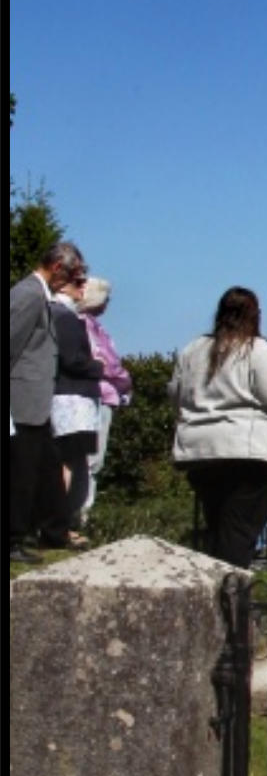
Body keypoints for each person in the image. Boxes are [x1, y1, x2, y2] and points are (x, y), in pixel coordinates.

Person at [171, 287, 267, 570]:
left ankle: (217, 585)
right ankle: (231, 590)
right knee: (239, 534)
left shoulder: (192, 351)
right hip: (246, 450)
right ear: (255, 315)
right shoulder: (257, 349)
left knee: (218, 526)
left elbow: (176, 393)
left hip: (200, 450)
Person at [9, 238, 86, 559]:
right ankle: (13, 539)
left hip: (36, 400)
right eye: (71, 275)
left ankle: (54, 532)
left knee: (48, 468)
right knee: (22, 474)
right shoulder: (28, 295)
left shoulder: (38, 295)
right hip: (22, 398)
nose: (71, 283)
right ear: (57, 268)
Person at [49, 267, 104, 536]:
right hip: (72, 399)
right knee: (68, 463)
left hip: (63, 396)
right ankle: (58, 525)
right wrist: (97, 366)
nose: (83, 287)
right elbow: (72, 360)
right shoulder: (66, 317)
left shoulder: (53, 313)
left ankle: (56, 523)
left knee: (68, 462)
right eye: (78, 282)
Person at [77, 276, 133, 518]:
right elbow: (108, 364)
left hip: (98, 394)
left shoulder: (90, 325)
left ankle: (80, 512)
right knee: (91, 459)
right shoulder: (87, 326)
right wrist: (125, 381)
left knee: (88, 459)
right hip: (98, 395)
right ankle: (81, 513)